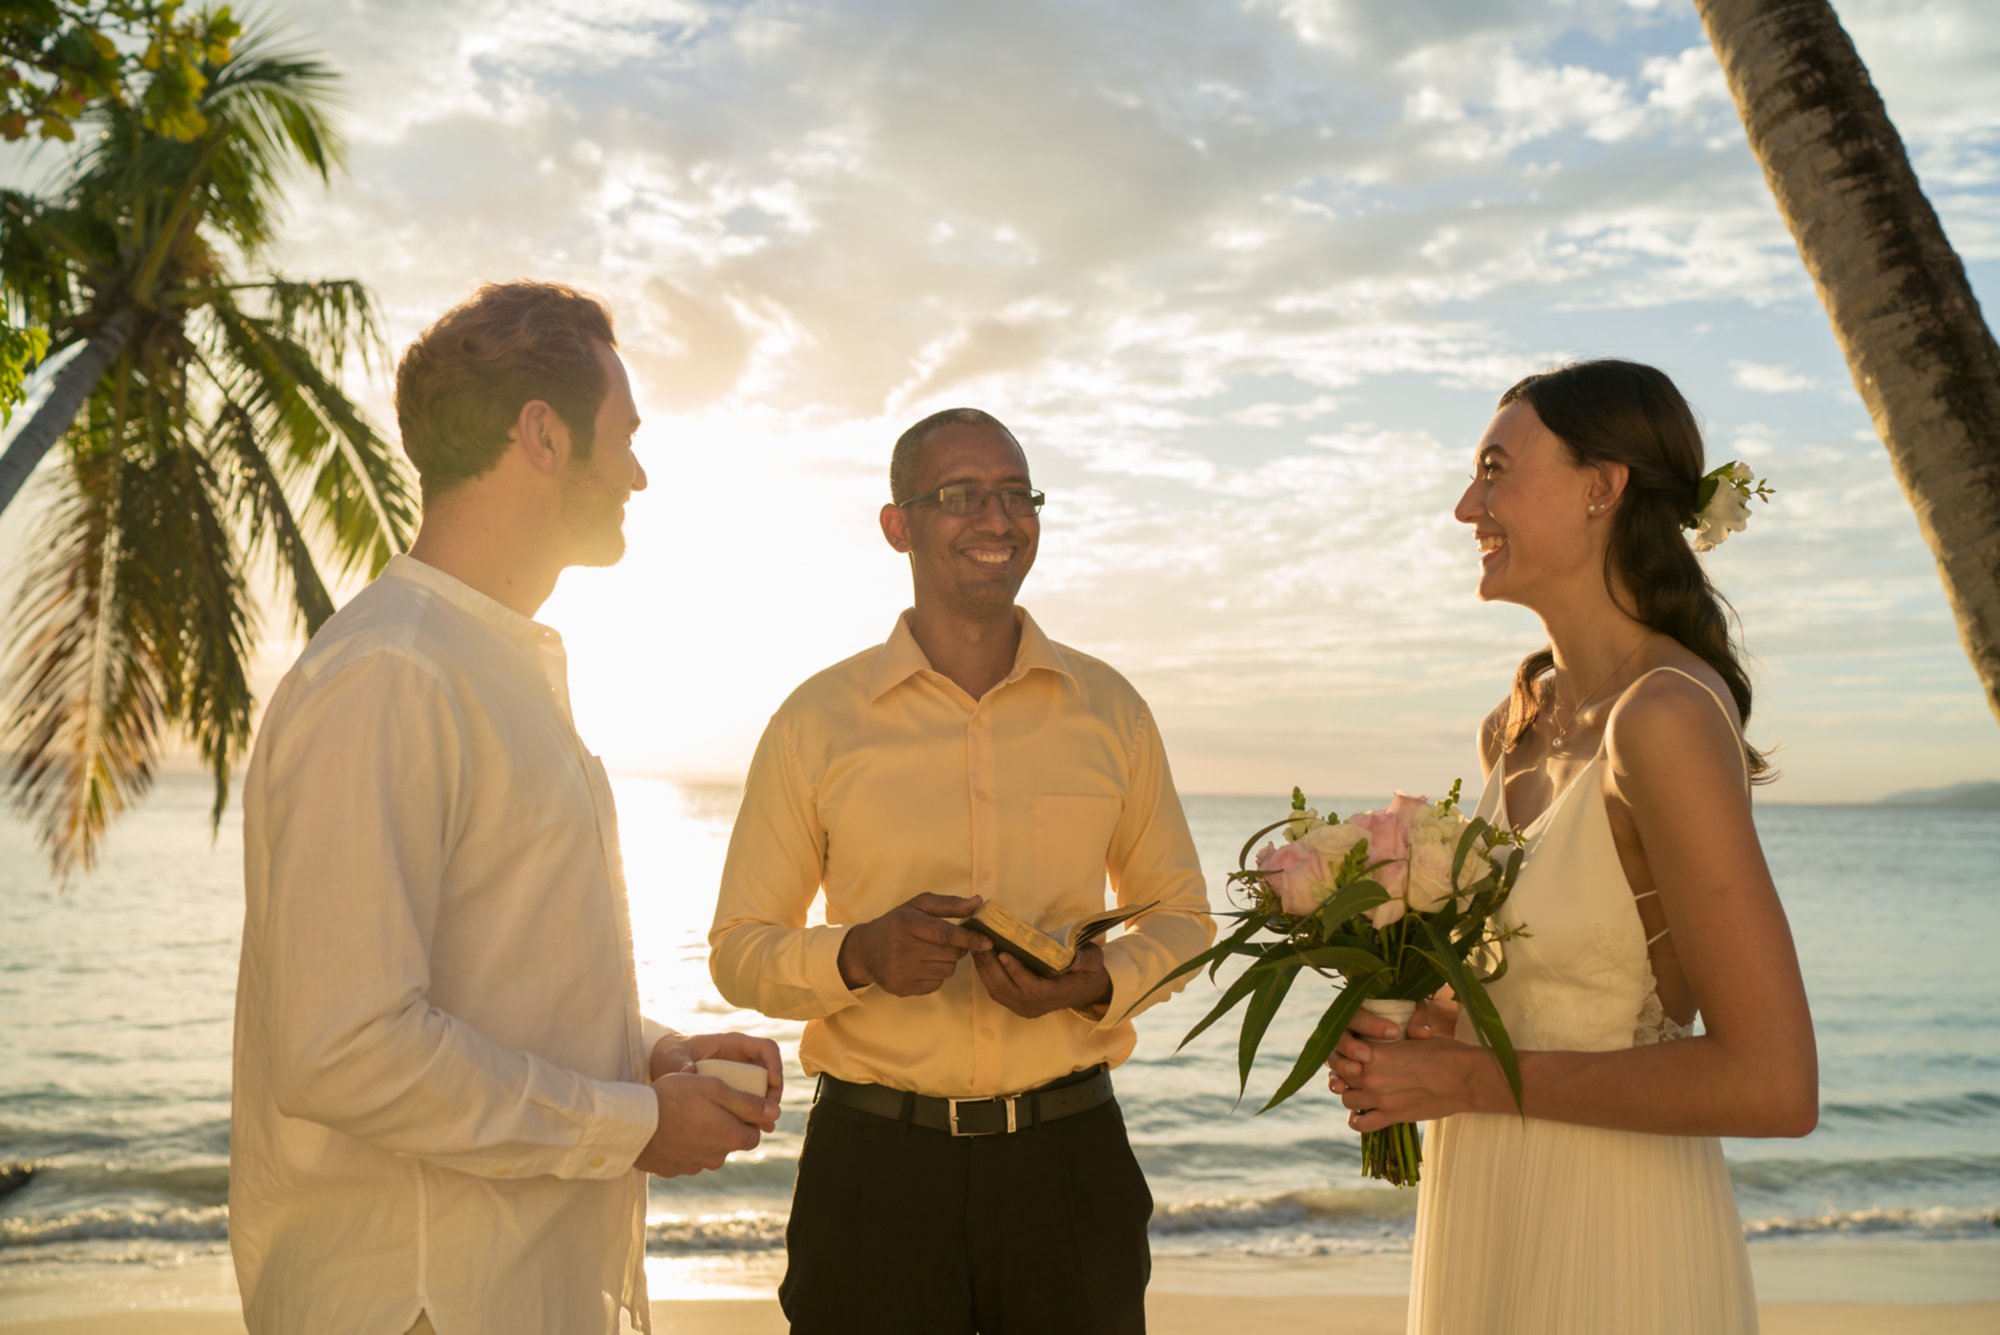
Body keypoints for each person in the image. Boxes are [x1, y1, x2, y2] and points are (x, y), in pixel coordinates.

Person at [230, 281, 782, 1335]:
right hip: (426, 1304)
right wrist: (631, 1123)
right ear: (541, 434)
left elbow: (495, 983)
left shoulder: (483, 667)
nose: (636, 471)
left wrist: (646, 1056)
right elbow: (345, 1049)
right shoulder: (393, 673)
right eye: (621, 436)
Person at [1327, 359, 1818, 1334]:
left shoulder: (1665, 719)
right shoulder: (1512, 725)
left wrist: (1465, 1080)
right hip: (1486, 1203)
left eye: (1495, 468)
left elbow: (1770, 1081)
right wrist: (1413, 1027)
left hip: (1609, 1229)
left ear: (1601, 488)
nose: (1468, 505)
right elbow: (1537, 986)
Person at [709, 407, 1213, 1335]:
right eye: (962, 495)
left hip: (1069, 1165)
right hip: (874, 1172)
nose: (998, 517)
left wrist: (1098, 981)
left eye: (1017, 494)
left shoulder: (1112, 710)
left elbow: (1184, 918)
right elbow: (740, 951)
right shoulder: (815, 721)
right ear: (898, 524)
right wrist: (858, 954)